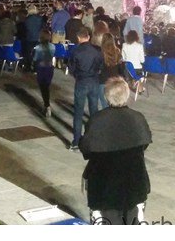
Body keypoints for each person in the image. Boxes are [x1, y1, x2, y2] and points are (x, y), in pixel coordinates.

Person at [80, 77, 151, 225]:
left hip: (105, 185)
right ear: (127, 95)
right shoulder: (138, 118)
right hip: (134, 182)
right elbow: (144, 144)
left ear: (106, 97)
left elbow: (86, 149)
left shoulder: (97, 120)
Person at [67, 26, 102, 151]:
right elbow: (100, 65)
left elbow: (71, 68)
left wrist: (78, 75)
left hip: (81, 81)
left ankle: (76, 141)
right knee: (94, 111)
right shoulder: (97, 51)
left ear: (78, 38)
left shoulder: (75, 51)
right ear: (88, 37)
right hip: (94, 81)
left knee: (78, 112)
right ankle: (95, 138)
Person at [99, 34, 129, 108]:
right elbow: (121, 68)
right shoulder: (118, 52)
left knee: (104, 105)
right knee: (116, 104)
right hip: (115, 81)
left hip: (103, 81)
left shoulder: (100, 53)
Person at [33, 29, 56, 117]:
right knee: (46, 87)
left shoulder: (38, 47)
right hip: (49, 68)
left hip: (41, 68)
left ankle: (47, 105)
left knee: (43, 88)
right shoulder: (53, 46)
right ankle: (46, 105)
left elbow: (35, 58)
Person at [23, 5, 44, 70]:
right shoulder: (40, 18)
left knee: (28, 53)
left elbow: (25, 28)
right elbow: (42, 27)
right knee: (37, 53)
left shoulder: (27, 19)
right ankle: (35, 67)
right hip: (37, 37)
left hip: (29, 37)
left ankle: (28, 67)